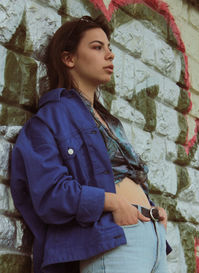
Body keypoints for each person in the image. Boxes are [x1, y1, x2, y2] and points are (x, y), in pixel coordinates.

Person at [10, 15, 171, 273]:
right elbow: (51, 194)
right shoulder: (50, 119)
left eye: (109, 47)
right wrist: (114, 203)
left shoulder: (111, 123)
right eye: (97, 47)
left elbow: (123, 176)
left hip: (152, 238)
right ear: (69, 58)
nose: (110, 55)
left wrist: (152, 209)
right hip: (112, 241)